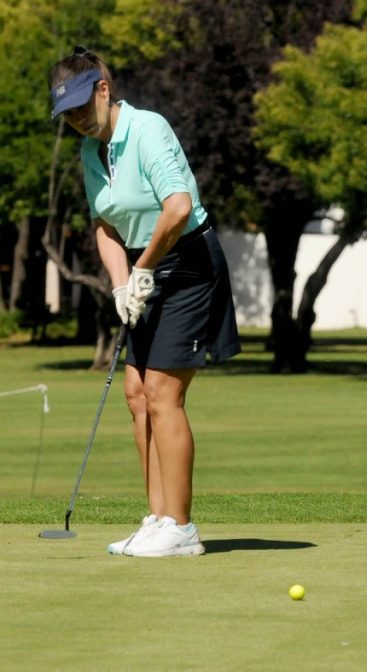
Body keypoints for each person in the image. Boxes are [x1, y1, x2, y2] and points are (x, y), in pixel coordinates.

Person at [49, 47, 241, 557]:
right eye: (67, 115)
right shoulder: (91, 151)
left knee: (161, 392)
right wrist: (120, 285)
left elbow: (177, 207)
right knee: (136, 393)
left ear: (103, 90)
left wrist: (143, 268)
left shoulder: (148, 128)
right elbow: (105, 224)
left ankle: (181, 527)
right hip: (145, 267)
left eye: (81, 108)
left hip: (189, 263)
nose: (76, 120)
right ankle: (157, 519)